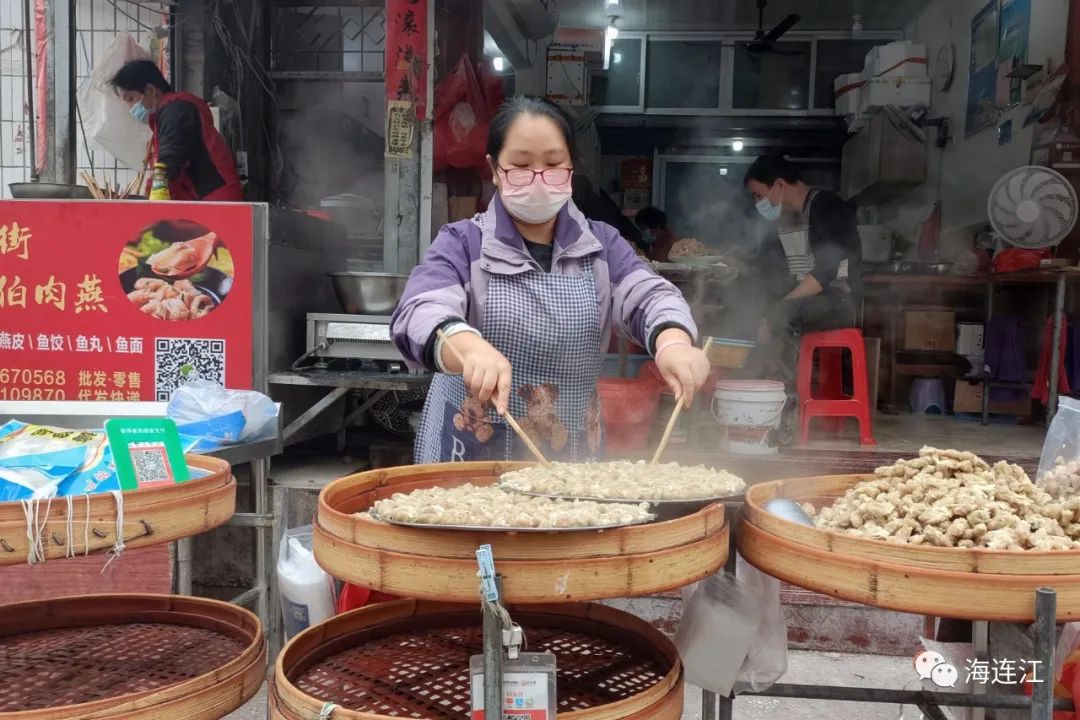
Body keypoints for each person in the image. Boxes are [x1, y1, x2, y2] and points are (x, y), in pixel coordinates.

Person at [392, 97, 709, 463]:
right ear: (495, 169)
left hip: (570, 453)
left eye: (554, 164)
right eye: (521, 166)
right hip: (470, 452)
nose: (539, 179)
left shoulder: (601, 245)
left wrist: (673, 343)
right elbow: (420, 309)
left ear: (571, 169)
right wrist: (466, 346)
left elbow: (651, 296)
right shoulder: (464, 243)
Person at [743, 154, 862, 381]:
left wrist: (776, 310)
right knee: (760, 307)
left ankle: (788, 388)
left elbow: (824, 272)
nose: (758, 203)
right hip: (810, 302)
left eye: (759, 195)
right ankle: (775, 378)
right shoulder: (786, 221)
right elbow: (772, 273)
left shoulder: (826, 206)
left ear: (779, 185)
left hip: (840, 301)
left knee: (780, 313)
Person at [111, 60, 243, 201]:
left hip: (216, 201)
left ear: (150, 90)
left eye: (130, 99)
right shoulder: (167, 115)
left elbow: (168, 166)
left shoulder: (176, 113)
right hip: (207, 200)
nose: (130, 108)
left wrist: (147, 202)